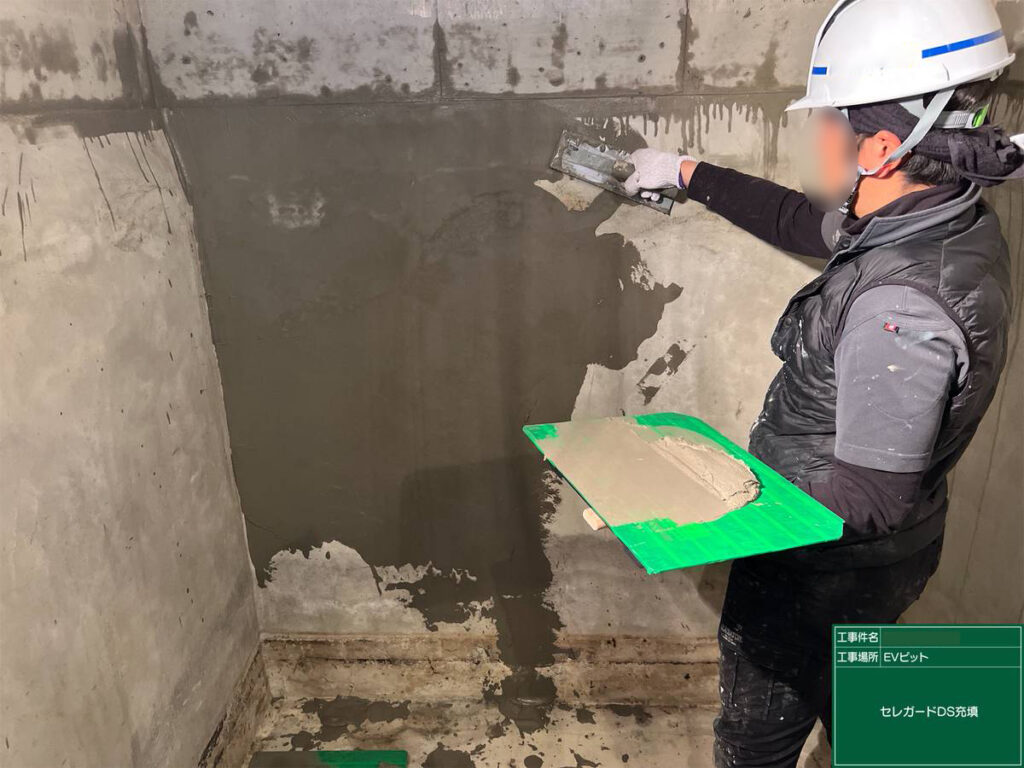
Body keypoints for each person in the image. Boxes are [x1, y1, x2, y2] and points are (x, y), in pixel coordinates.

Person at [624, 1, 1024, 765]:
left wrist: (702, 510)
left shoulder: (900, 305)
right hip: (889, 559)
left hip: (819, 574)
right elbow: (799, 222)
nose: (816, 132)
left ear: (880, 148)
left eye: (829, 118)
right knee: (865, 712)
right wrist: (684, 171)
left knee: (757, 743)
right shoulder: (934, 215)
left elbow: (868, 497)